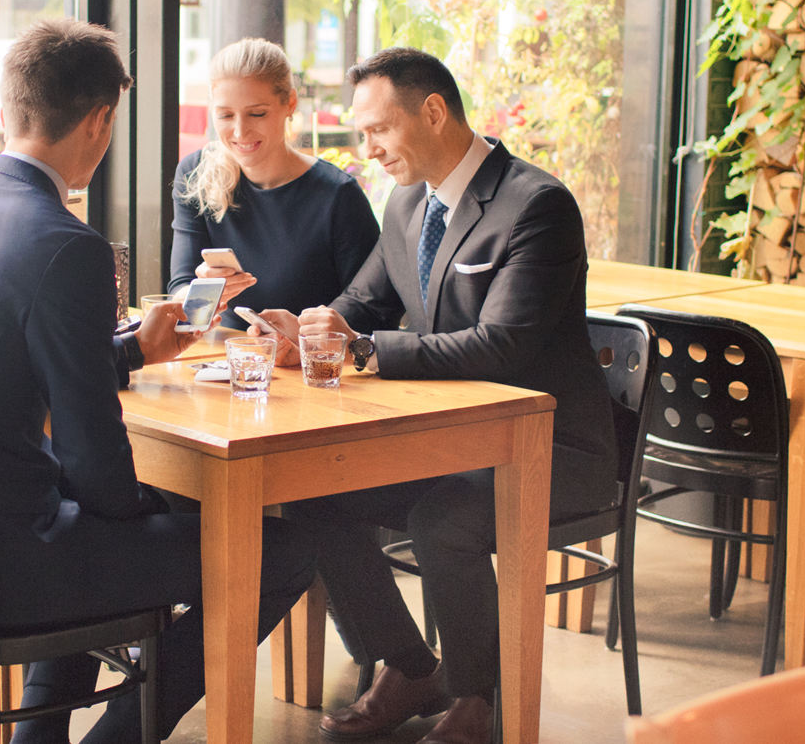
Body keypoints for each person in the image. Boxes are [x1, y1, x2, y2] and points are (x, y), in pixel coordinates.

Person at [0, 19, 315, 744]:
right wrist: (139, 505)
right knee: (278, 551)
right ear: (101, 120)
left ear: (11, 107)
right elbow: (94, 463)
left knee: (91, 523)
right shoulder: (62, 243)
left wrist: (134, 352)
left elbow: (4, 364)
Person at [259, 48, 618, 744]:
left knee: (440, 518)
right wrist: (304, 333)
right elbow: (361, 300)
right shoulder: (405, 202)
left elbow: (501, 345)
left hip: (549, 451)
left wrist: (363, 350)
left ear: (432, 111)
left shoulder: (537, 205)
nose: (368, 149)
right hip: (446, 443)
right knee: (315, 497)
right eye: (362, 134)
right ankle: (409, 664)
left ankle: (476, 699)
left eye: (378, 130)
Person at [169, 38, 379, 332]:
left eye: (257, 113)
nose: (240, 131)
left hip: (310, 367)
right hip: (223, 359)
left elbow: (373, 309)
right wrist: (203, 294)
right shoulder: (195, 174)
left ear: (290, 104)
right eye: (226, 115)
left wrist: (304, 336)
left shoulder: (338, 195)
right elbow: (180, 290)